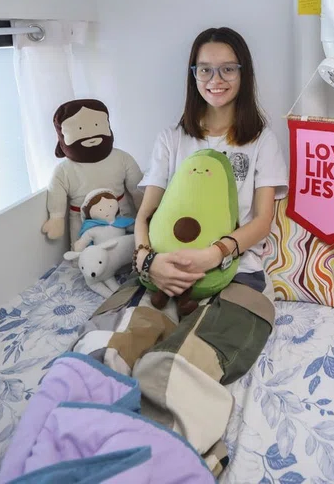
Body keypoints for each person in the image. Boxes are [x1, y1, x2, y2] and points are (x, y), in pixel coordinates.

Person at [70, 27, 288, 477]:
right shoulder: (172, 138)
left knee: (178, 363)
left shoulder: (261, 141)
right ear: (193, 75)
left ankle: (166, 457)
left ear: (243, 73)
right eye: (205, 69)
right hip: (163, 269)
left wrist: (214, 255)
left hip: (236, 272)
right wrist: (149, 262)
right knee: (105, 350)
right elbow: (145, 214)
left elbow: (262, 221)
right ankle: (75, 438)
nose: (216, 79)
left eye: (227, 69)